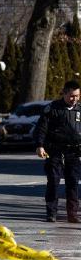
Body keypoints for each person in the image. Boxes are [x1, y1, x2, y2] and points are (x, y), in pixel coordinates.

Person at [35, 80, 81, 223]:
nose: (75, 99)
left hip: (74, 152)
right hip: (55, 151)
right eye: (72, 96)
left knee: (73, 182)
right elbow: (41, 128)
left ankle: (72, 214)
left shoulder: (79, 109)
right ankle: (51, 212)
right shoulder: (52, 108)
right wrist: (39, 145)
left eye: (77, 96)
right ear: (64, 93)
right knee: (54, 181)